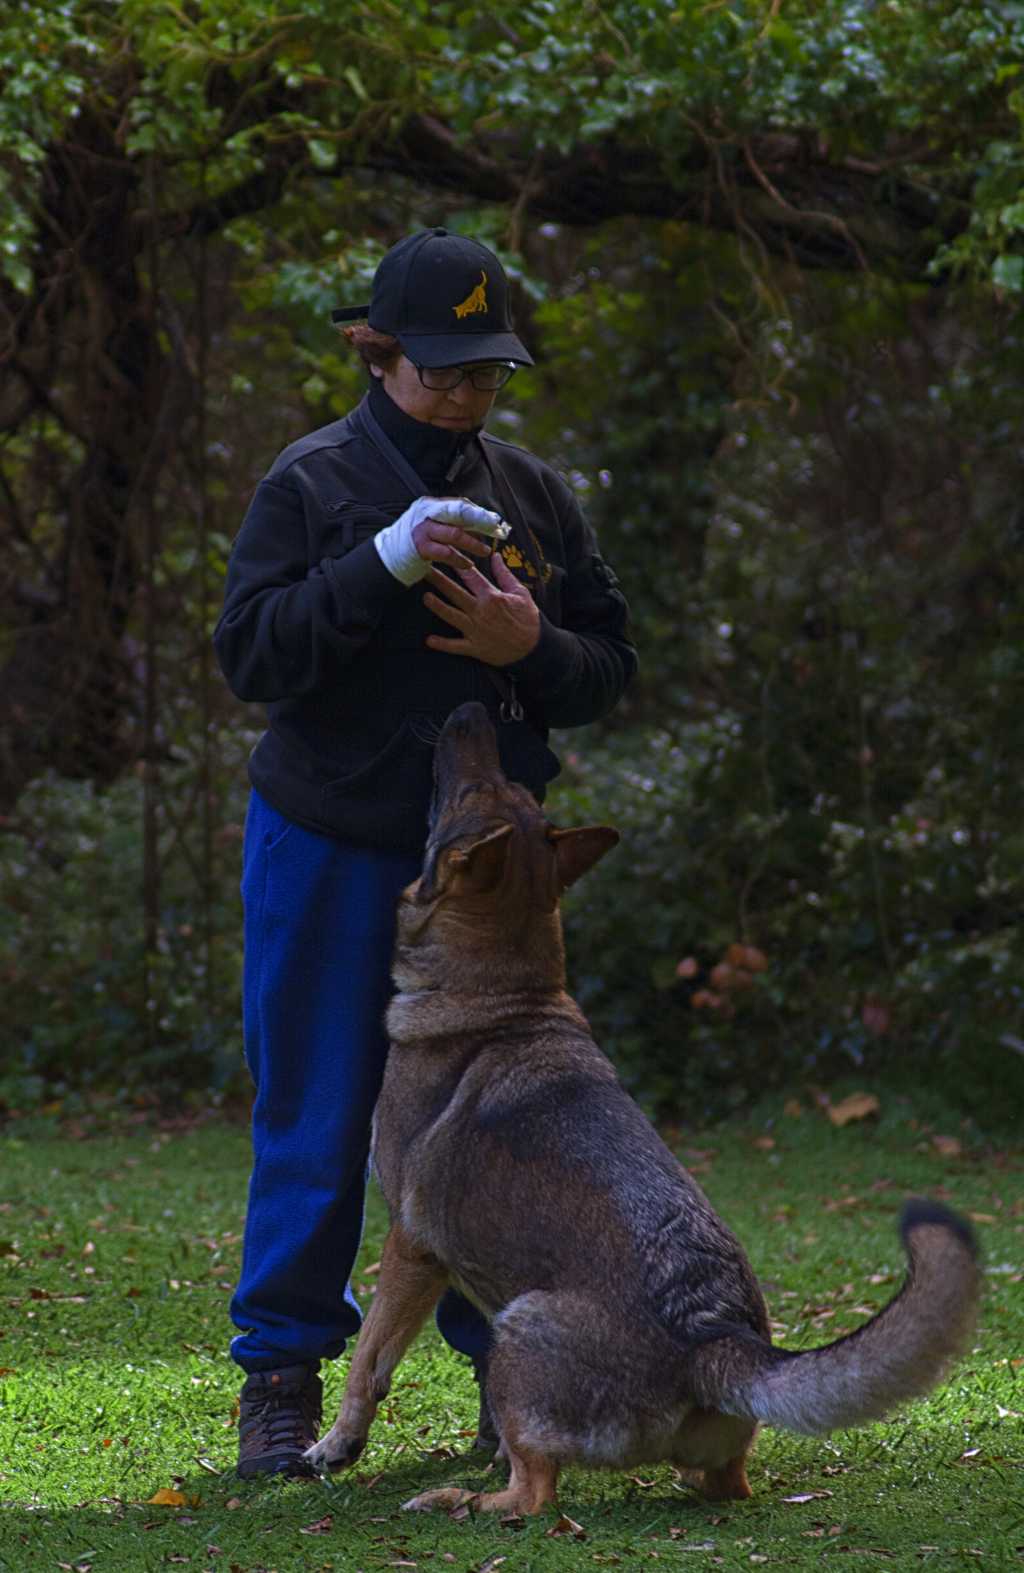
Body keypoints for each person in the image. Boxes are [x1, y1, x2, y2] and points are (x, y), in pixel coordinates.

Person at [213, 226, 637, 1479]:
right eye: (440, 368)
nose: (464, 393)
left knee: (499, 1123)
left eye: (484, 371)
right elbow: (252, 657)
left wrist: (533, 655)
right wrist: (382, 561)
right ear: (379, 352)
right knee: (319, 1107)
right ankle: (282, 1384)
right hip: (331, 841)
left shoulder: (535, 492)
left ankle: (498, 1372)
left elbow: (609, 664)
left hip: (490, 879)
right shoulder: (311, 482)